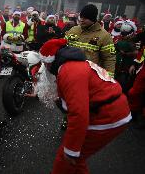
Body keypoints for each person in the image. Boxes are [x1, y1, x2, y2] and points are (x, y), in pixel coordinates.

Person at [38, 38, 131, 174]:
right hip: (113, 109)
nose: (45, 67)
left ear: (51, 59)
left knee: (65, 159)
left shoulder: (69, 71)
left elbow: (78, 114)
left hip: (108, 115)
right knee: (76, 159)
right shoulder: (76, 63)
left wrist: (71, 149)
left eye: (45, 63)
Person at [65, 4, 116, 77]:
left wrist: (108, 79)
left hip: (89, 77)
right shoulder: (73, 30)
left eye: (85, 18)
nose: (82, 20)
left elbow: (109, 59)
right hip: (68, 72)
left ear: (93, 19)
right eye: (81, 17)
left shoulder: (104, 36)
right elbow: (63, 48)